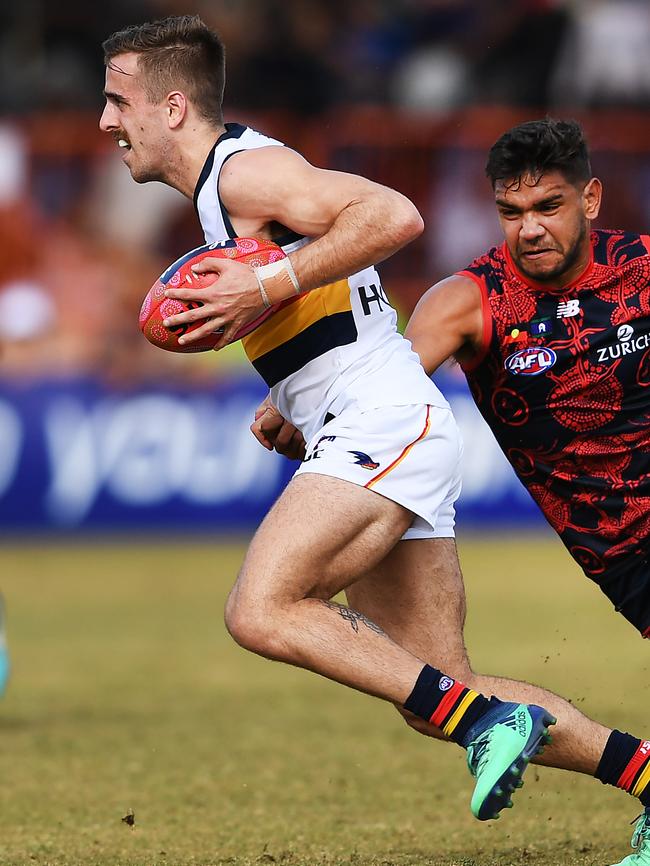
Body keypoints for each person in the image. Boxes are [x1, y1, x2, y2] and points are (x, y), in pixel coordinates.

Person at [99, 14, 561, 824]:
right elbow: (339, 297)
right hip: (375, 416)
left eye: (117, 100)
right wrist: (286, 396)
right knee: (433, 689)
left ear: (171, 108)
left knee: (262, 608)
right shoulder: (229, 185)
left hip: (381, 420)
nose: (105, 122)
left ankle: (492, 723)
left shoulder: (243, 174)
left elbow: (394, 216)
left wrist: (266, 286)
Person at [254, 118, 650, 865]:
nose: (529, 229)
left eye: (550, 207)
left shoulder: (646, 269)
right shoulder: (470, 301)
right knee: (436, 693)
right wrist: (298, 410)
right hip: (616, 547)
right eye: (511, 212)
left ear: (591, 199)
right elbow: (385, 392)